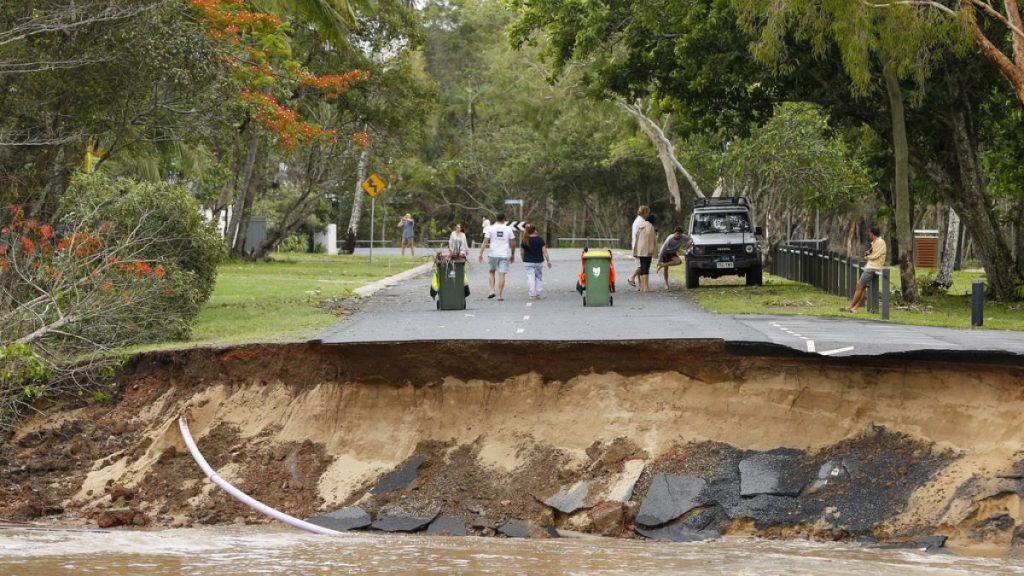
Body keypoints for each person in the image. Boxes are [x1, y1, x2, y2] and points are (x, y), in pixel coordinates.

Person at [842, 225, 887, 313]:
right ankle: (855, 308)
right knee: (862, 288)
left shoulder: (880, 242)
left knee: (859, 285)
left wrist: (867, 257)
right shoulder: (875, 242)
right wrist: (868, 253)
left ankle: (850, 307)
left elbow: (875, 255)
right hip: (871, 266)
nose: (869, 235)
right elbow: (872, 252)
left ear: (872, 233)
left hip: (873, 267)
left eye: (869, 233)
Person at [478, 212, 516, 300]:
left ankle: (492, 290)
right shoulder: (508, 229)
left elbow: (485, 241)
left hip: (493, 254)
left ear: (496, 219)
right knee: (501, 274)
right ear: (504, 219)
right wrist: (513, 254)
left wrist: (480, 253)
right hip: (504, 254)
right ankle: (500, 295)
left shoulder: (490, 228)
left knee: (491, 272)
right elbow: (513, 243)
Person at [520, 223, 552, 299]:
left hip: (528, 261)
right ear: (534, 230)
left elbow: (522, 252)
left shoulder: (524, 240)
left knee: (530, 277)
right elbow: (545, 251)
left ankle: (532, 294)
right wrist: (548, 261)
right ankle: (538, 293)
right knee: (538, 277)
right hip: (538, 262)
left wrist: (523, 259)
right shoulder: (540, 239)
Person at [633, 213, 657, 293]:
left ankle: (643, 287)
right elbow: (651, 239)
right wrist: (652, 250)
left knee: (643, 267)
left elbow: (636, 236)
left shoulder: (641, 225)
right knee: (646, 268)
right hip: (647, 250)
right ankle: (646, 288)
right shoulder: (650, 226)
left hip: (640, 249)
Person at [628, 205, 650, 288]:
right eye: (647, 213)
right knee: (642, 266)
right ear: (644, 212)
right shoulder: (641, 222)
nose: (648, 214)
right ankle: (631, 277)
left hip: (636, 245)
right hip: (639, 246)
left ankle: (640, 286)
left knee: (639, 265)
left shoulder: (637, 220)